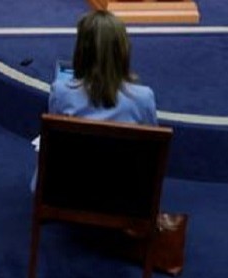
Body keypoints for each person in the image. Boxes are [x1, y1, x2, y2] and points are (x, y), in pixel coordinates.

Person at [32, 10, 157, 191]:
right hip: (123, 195)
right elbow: (150, 151)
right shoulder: (143, 98)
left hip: (68, 189)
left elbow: (53, 145)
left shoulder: (61, 91)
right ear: (123, 50)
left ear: (81, 51)